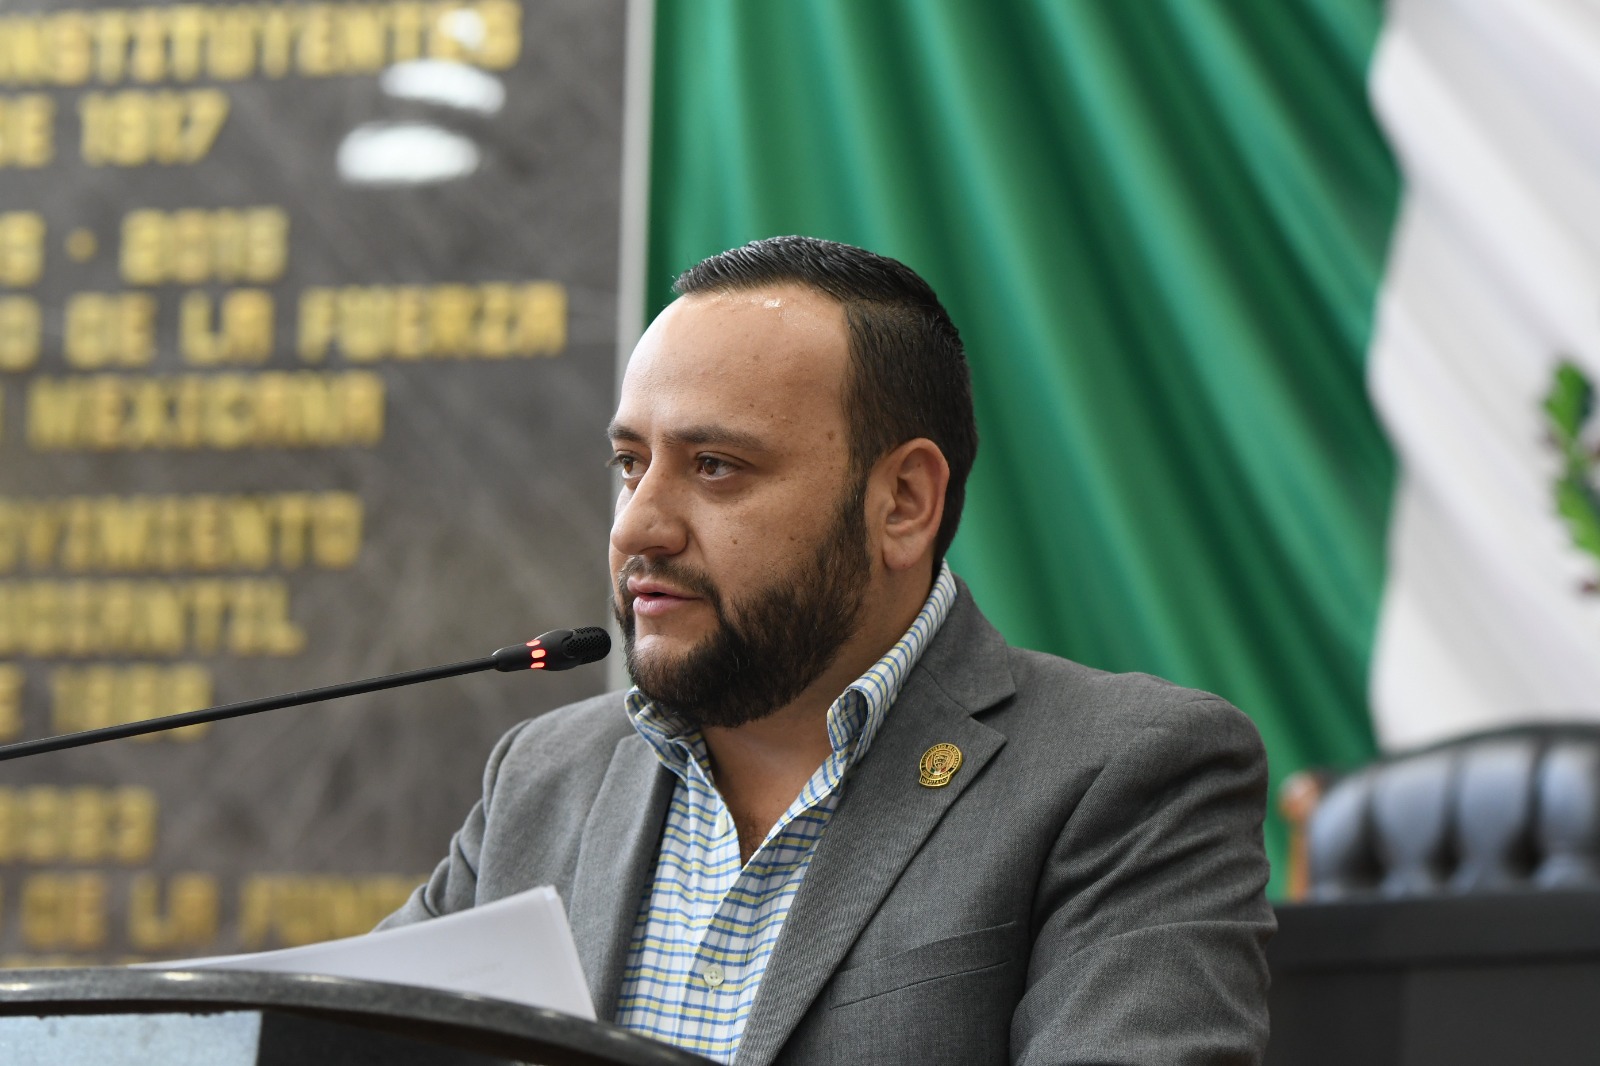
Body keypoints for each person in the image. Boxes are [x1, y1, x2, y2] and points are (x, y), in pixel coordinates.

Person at [382, 236, 1274, 1065]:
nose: (638, 527)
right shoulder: (542, 778)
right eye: (630, 464)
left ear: (903, 503)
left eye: (715, 466)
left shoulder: (1126, 775)